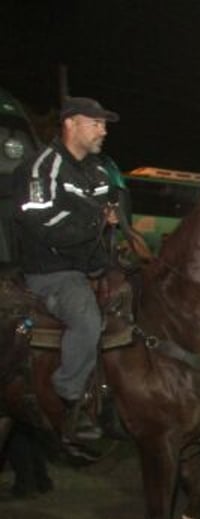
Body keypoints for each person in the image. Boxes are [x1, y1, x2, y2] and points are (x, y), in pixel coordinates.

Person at [13, 96, 122, 448]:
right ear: (70, 123)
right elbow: (43, 223)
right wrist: (96, 220)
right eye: (96, 123)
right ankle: (70, 396)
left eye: (104, 124)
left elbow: (113, 213)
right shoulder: (41, 168)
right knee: (87, 320)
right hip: (55, 273)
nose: (103, 130)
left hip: (97, 266)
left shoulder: (100, 171)